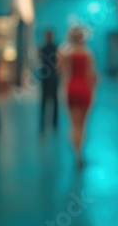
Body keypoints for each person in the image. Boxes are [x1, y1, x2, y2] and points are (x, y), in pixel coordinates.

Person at [61, 27, 97, 166]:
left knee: (73, 123)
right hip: (84, 88)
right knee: (82, 124)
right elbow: (92, 75)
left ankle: (76, 153)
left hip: (71, 87)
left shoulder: (67, 53)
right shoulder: (88, 54)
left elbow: (64, 72)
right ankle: (80, 152)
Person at [39, 30, 59, 134]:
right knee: (50, 101)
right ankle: (51, 124)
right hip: (50, 77)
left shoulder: (45, 48)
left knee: (50, 101)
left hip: (48, 77)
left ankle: (50, 124)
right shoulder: (54, 48)